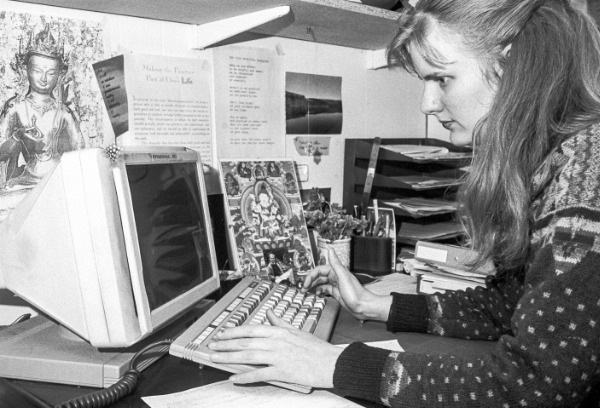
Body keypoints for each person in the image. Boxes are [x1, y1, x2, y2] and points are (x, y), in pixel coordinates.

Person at [207, 0, 600, 406]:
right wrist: (375, 305)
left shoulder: (585, 188)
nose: (427, 104)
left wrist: (331, 364)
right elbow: (507, 306)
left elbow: (534, 384)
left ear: (516, 68)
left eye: (442, 79)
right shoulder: (558, 160)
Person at [0, 24, 84, 189]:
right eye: (37, 71)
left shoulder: (64, 112)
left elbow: (80, 152)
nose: (44, 78)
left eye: (51, 73)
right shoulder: (15, 107)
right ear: (26, 70)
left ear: (60, 75)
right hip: (25, 179)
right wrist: (17, 136)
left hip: (57, 178)